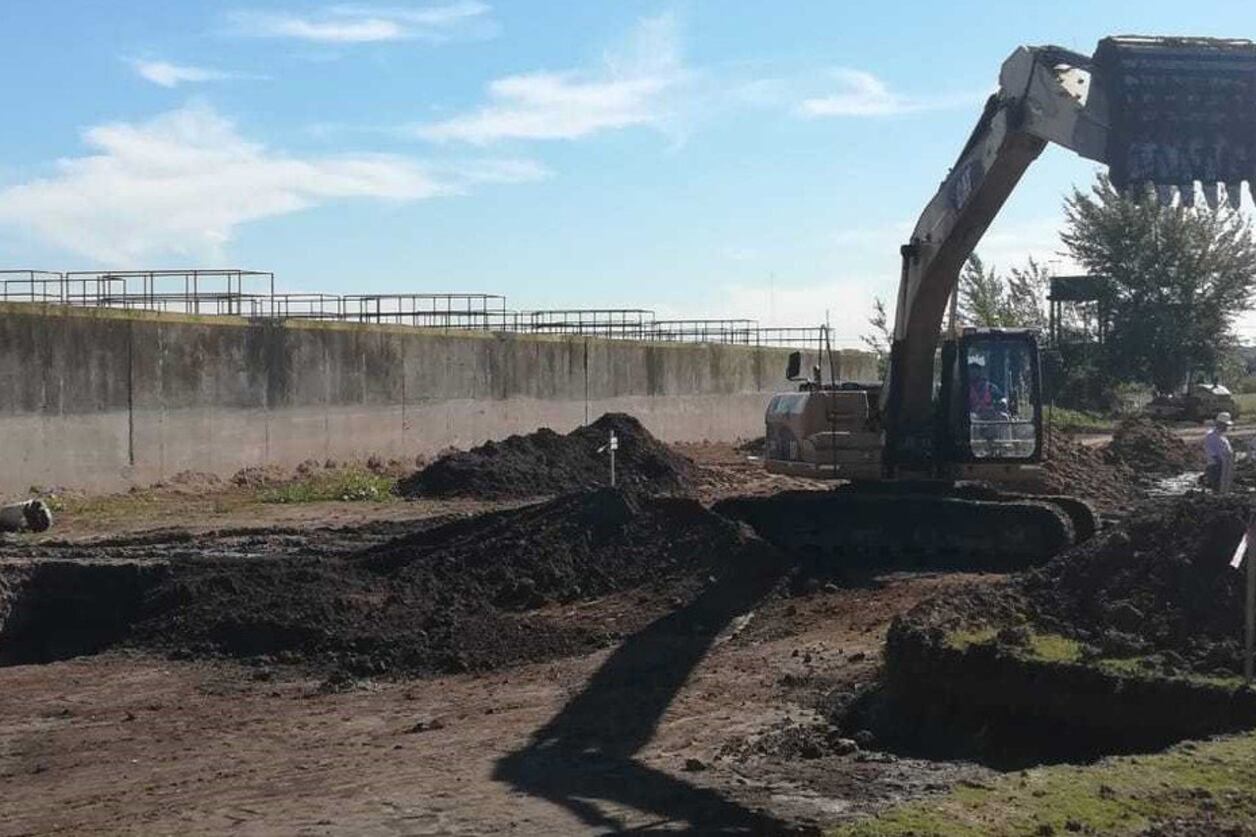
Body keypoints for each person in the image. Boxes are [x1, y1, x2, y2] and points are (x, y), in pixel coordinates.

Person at [1204, 411, 1235, 493]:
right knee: (1218, 488)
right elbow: (1213, 453)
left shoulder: (1222, 436)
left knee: (1224, 488)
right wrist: (1222, 461)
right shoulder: (1211, 436)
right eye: (1225, 425)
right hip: (1217, 466)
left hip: (1224, 465)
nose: (1226, 427)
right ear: (1219, 424)